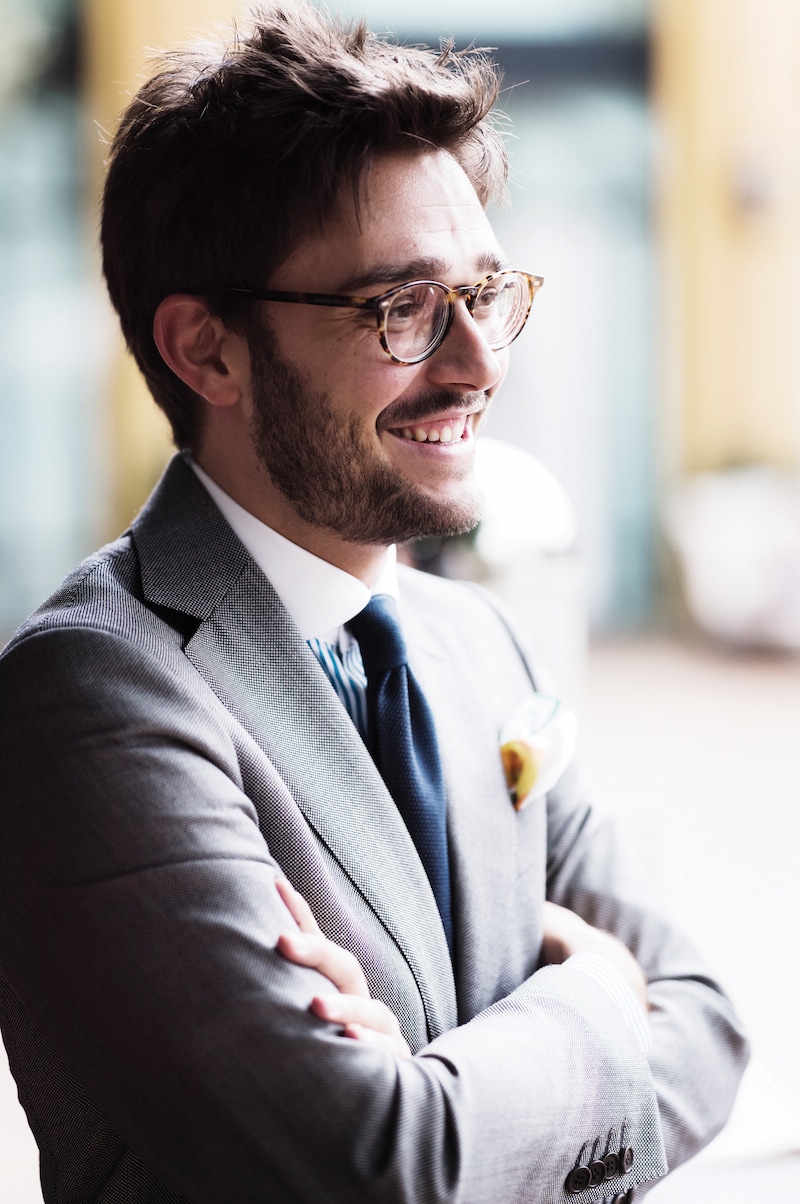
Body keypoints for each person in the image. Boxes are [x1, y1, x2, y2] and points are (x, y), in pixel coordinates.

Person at [0, 5, 747, 1203]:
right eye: (401, 307)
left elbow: (708, 1027)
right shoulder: (90, 690)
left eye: (485, 292)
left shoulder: (479, 642)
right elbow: (372, 1165)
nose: (477, 363)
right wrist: (595, 993)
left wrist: (438, 1086)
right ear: (208, 351)